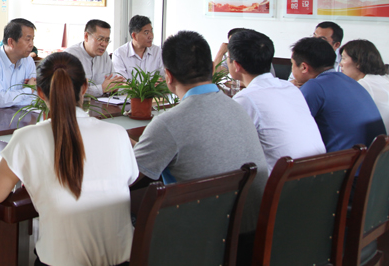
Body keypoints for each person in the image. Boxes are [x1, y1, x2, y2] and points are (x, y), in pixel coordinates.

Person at [0, 52, 138, 266]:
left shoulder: (26, 138)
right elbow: (126, 180)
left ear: (39, 93)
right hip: (124, 262)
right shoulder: (118, 134)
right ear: (85, 87)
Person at [132, 30, 268, 238]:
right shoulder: (238, 106)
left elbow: (130, 177)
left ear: (168, 76)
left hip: (200, 240)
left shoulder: (168, 123)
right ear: (212, 69)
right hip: (251, 233)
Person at [227, 30, 325, 172]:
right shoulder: (289, 87)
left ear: (236, 65)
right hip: (319, 175)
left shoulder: (246, 99)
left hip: (283, 180)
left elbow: (230, 147)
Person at [292, 37, 385, 152]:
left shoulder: (314, 86)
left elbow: (293, 128)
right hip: (374, 159)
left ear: (304, 67)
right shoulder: (351, 81)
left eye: (292, 64)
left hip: (345, 161)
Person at [64, 19, 124, 97]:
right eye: (100, 39)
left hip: (103, 103)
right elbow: (71, 90)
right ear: (86, 36)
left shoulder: (104, 55)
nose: (104, 44)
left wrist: (116, 87)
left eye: (107, 40)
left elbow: (113, 82)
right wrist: (101, 89)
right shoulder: (70, 55)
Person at [340, 39, 389, 133]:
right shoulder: (383, 79)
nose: (340, 64)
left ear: (358, 62)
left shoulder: (362, 85)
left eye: (344, 58)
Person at [111, 15, 163, 80]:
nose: (151, 36)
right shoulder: (119, 54)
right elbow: (121, 82)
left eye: (151, 31)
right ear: (134, 36)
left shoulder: (158, 51)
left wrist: (161, 82)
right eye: (146, 33)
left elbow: (164, 77)